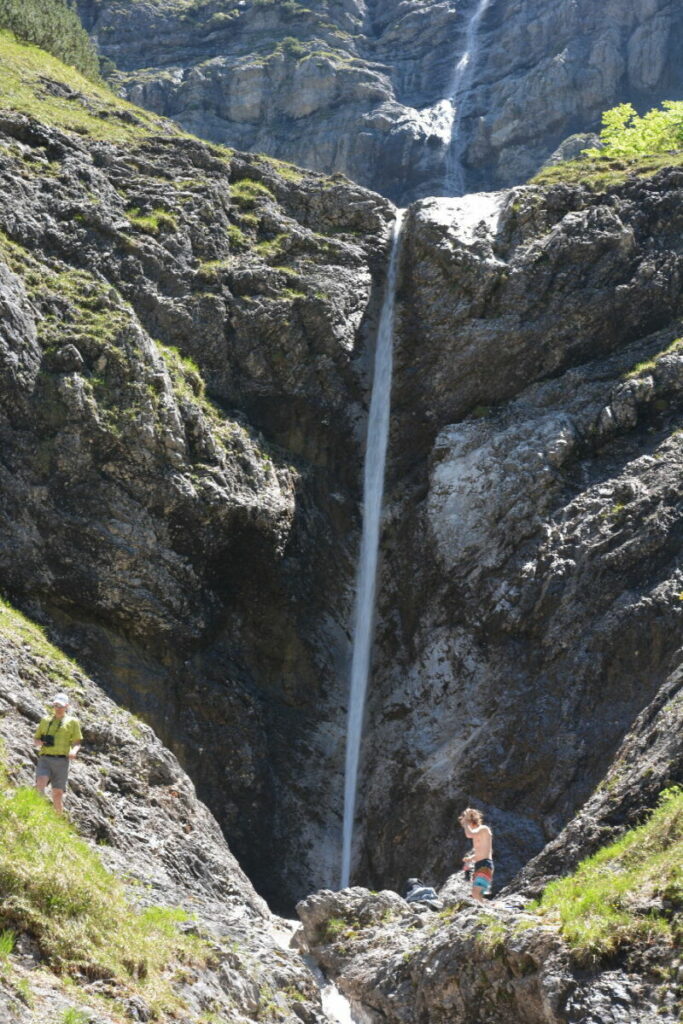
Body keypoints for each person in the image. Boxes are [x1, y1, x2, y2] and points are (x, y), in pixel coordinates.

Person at [34, 693, 82, 815]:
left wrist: (73, 751)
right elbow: (36, 739)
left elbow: (77, 742)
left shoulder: (72, 722)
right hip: (45, 758)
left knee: (57, 793)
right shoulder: (45, 720)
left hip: (61, 761)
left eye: (60, 705)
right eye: (56, 705)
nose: (58, 708)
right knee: (40, 784)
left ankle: (58, 819)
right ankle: (37, 813)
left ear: (66, 706)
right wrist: (39, 742)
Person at [459, 807, 493, 901]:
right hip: (480, 864)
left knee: (476, 893)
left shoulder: (484, 829)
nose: (464, 826)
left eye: (464, 823)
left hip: (485, 865)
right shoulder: (478, 834)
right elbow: (483, 851)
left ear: (470, 821)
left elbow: (469, 834)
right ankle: (484, 910)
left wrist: (466, 822)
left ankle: (484, 911)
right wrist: (471, 858)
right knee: (476, 894)